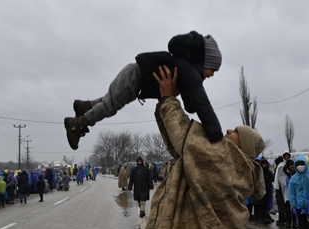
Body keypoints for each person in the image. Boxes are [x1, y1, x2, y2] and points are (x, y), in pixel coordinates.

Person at [134, 65, 266, 229]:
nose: (229, 130)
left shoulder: (225, 162)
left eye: (236, 132)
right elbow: (182, 148)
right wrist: (163, 101)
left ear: (242, 147)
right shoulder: (229, 168)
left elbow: (185, 138)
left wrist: (169, 98)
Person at [64, 31, 222, 150]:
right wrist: (216, 135)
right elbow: (202, 104)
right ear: (205, 62)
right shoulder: (190, 71)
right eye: (213, 70)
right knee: (109, 106)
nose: (213, 75)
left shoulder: (188, 70)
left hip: (133, 78)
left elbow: (192, 104)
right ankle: (76, 124)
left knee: (108, 101)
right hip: (134, 79)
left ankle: (83, 107)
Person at [273, 154, 289, 226]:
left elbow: (281, 178)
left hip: (281, 188)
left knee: (281, 205)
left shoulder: (280, 166)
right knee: (284, 205)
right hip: (281, 187)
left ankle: (282, 220)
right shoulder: (281, 166)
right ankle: (284, 219)